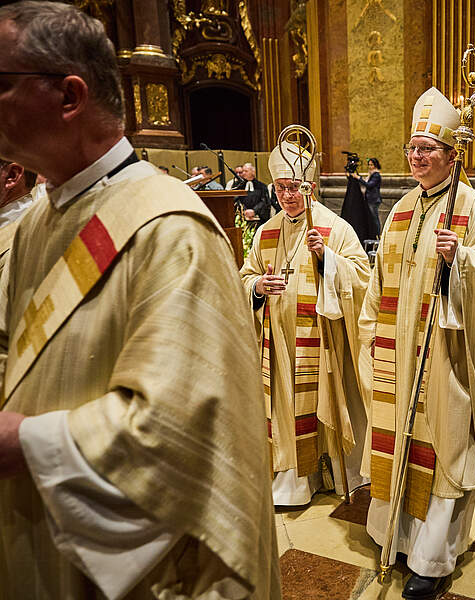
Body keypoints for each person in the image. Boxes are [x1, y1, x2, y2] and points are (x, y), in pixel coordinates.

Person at [0, 2, 279, 597]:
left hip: (133, 572)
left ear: (69, 96)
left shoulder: (171, 231)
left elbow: (181, 436)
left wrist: (26, 442)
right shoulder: (33, 225)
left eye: (2, 83)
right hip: (38, 533)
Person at [359, 87, 475, 600]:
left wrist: (462, 263)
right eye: (412, 148)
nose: (416, 156)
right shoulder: (401, 209)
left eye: (427, 149)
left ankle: (431, 558)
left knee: (445, 448)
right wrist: (373, 334)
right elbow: (378, 283)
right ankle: (396, 537)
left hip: (447, 357)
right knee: (399, 442)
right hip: (399, 355)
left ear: (453, 155)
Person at [240, 141, 370, 508]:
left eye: (294, 187)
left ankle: (331, 472)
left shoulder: (335, 228)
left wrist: (327, 258)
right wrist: (258, 287)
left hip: (322, 342)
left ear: (309, 187)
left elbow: (363, 277)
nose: (287, 195)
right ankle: (294, 481)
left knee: (323, 404)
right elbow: (245, 276)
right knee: (285, 409)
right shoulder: (266, 232)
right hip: (280, 346)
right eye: (281, 188)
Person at [353, 157, 383, 237]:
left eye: (372, 165)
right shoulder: (371, 174)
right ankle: (374, 233)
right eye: (369, 165)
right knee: (372, 218)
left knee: (375, 218)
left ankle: (378, 234)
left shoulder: (376, 175)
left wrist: (358, 178)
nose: (370, 167)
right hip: (370, 199)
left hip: (373, 199)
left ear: (375, 165)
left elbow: (369, 185)